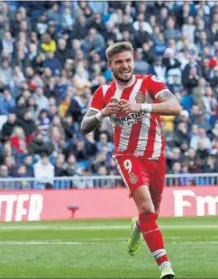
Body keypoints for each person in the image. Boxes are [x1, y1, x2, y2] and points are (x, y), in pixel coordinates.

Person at [81, 41, 182, 279]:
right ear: (110, 66)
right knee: (146, 206)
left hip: (156, 156)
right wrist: (102, 113)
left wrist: (140, 106)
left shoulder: (149, 83)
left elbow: (175, 107)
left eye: (128, 60)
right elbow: (85, 126)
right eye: (119, 62)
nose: (125, 66)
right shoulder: (103, 93)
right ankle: (164, 265)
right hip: (127, 156)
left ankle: (138, 226)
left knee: (152, 211)